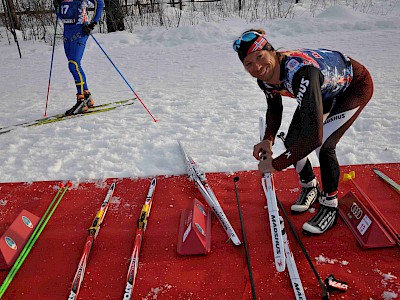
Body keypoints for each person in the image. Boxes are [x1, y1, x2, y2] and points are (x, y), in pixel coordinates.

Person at [233, 29, 373, 235]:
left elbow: (314, 138)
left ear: (271, 51)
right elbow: (274, 108)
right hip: (324, 89)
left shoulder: (301, 73)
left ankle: (330, 204)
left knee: (325, 144)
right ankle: (310, 185)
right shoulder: (265, 79)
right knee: (292, 140)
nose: (257, 67)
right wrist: (268, 139)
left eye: (260, 57)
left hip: (354, 87)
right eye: (249, 64)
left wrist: (276, 164)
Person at [54, 0, 105, 115]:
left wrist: (93, 23)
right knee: (74, 65)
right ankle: (86, 96)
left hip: (80, 30)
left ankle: (80, 100)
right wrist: (56, 6)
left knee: (73, 64)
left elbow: (100, 3)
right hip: (67, 32)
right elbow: (61, 15)